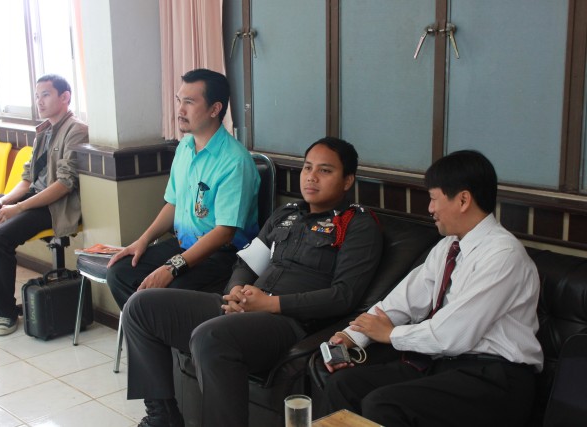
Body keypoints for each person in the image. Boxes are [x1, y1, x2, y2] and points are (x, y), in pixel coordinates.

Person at [122, 137, 383, 427]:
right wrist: (234, 291)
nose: (311, 176)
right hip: (245, 306)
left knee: (211, 337)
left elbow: (343, 296)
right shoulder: (287, 215)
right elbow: (247, 262)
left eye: (325, 170)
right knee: (140, 306)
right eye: (308, 167)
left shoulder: (358, 226)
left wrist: (269, 304)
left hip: (288, 323)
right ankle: (162, 419)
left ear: (347, 181)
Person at [323, 150, 543, 427]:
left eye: (434, 198)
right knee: (344, 384)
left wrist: (391, 335)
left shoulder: (503, 255)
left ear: (463, 200)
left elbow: (454, 333)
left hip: (496, 379)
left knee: (383, 404)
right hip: (446, 366)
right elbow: (402, 302)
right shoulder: (448, 247)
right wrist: (351, 337)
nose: (430, 208)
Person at [106, 68, 260, 308]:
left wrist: (172, 267)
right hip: (184, 244)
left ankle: (158, 326)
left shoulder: (235, 161)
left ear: (215, 109)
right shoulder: (185, 147)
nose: (180, 110)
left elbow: (224, 233)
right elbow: (174, 203)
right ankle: (148, 329)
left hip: (224, 255)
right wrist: (142, 240)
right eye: (179, 101)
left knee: (168, 292)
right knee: (120, 272)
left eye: (189, 102)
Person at [0, 74, 87, 336]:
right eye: (37, 96)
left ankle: (6, 314)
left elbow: (64, 184)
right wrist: (2, 202)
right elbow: (26, 180)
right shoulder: (43, 131)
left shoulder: (76, 130)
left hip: (54, 206)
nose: (39, 101)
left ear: (65, 97)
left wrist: (18, 209)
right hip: (31, 196)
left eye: (46, 95)